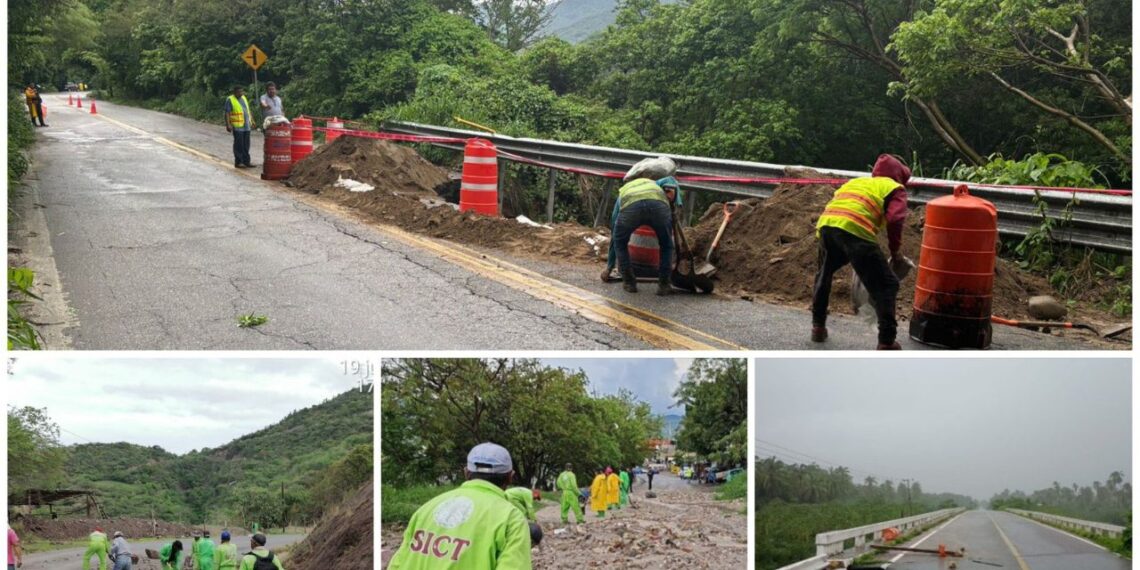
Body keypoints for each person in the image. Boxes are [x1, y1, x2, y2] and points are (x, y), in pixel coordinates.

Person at [811, 153, 911, 350]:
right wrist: (895, 252)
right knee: (887, 285)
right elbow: (895, 219)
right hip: (855, 230)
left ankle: (818, 327)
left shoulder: (855, 182)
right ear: (900, 176)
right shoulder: (895, 188)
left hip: (827, 227)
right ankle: (886, 341)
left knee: (824, 274)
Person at [388, 442, 531, 569]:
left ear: (466, 473)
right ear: (510, 477)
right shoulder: (511, 519)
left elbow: (397, 564)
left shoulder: (426, 508)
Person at [611, 174, 676, 295]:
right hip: (658, 206)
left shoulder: (626, 189)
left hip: (632, 208)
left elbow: (614, 218)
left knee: (620, 242)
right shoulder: (654, 185)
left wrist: (609, 266)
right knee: (666, 245)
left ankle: (629, 282)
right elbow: (670, 198)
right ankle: (664, 285)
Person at [224, 86, 254, 168]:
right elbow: (227, 113)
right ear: (234, 92)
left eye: (241, 92)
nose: (240, 93)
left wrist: (252, 121)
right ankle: (239, 162)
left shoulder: (244, 98)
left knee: (246, 145)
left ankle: (246, 161)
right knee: (239, 144)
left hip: (246, 125)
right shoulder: (230, 99)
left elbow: (248, 110)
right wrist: (228, 124)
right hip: (238, 126)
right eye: (238, 92)